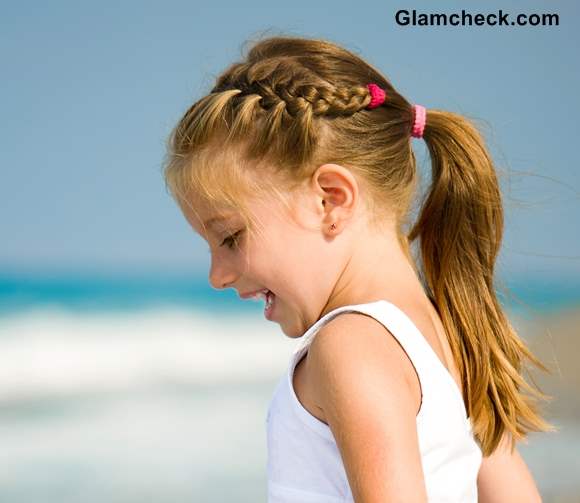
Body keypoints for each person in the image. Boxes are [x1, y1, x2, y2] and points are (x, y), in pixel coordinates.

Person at [162, 35, 556, 502]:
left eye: (230, 237)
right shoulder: (447, 333)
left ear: (330, 199)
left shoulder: (350, 346)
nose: (218, 275)